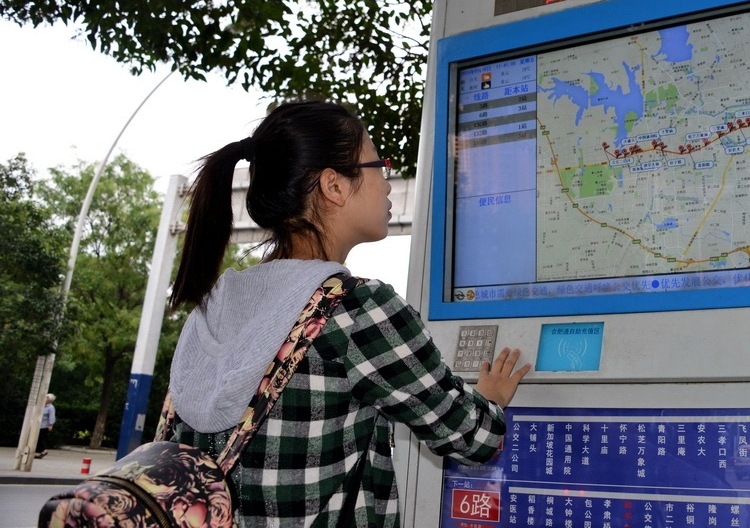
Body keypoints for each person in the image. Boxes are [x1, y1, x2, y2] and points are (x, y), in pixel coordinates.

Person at [165, 101, 531, 526]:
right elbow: (475, 437)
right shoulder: (359, 310)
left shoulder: (214, 304)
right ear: (334, 186)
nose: (388, 183)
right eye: (378, 165)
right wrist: (492, 398)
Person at [34, 393, 56, 458]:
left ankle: (43, 450)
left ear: (50, 400)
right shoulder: (42, 406)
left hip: (44, 425)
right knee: (37, 438)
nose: (45, 398)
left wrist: (51, 425)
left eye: (47, 397)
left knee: (41, 438)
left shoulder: (51, 407)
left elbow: (52, 416)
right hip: (38, 424)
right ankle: (40, 451)